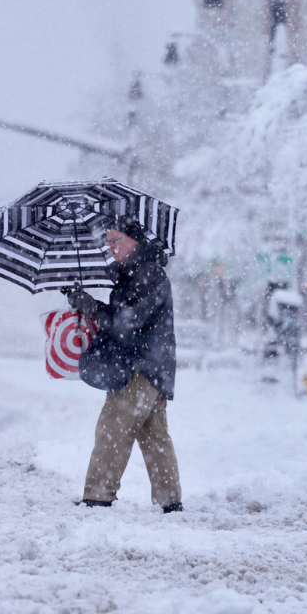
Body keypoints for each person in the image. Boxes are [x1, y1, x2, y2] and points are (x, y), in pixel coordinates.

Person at [66, 217, 182, 513]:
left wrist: (91, 307)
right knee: (154, 437)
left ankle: (97, 497)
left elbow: (125, 324)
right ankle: (170, 502)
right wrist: (87, 302)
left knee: (112, 429)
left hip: (139, 368)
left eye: (117, 240)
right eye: (109, 241)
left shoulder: (146, 275)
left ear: (136, 241)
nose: (111, 247)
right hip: (154, 368)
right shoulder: (137, 274)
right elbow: (123, 319)